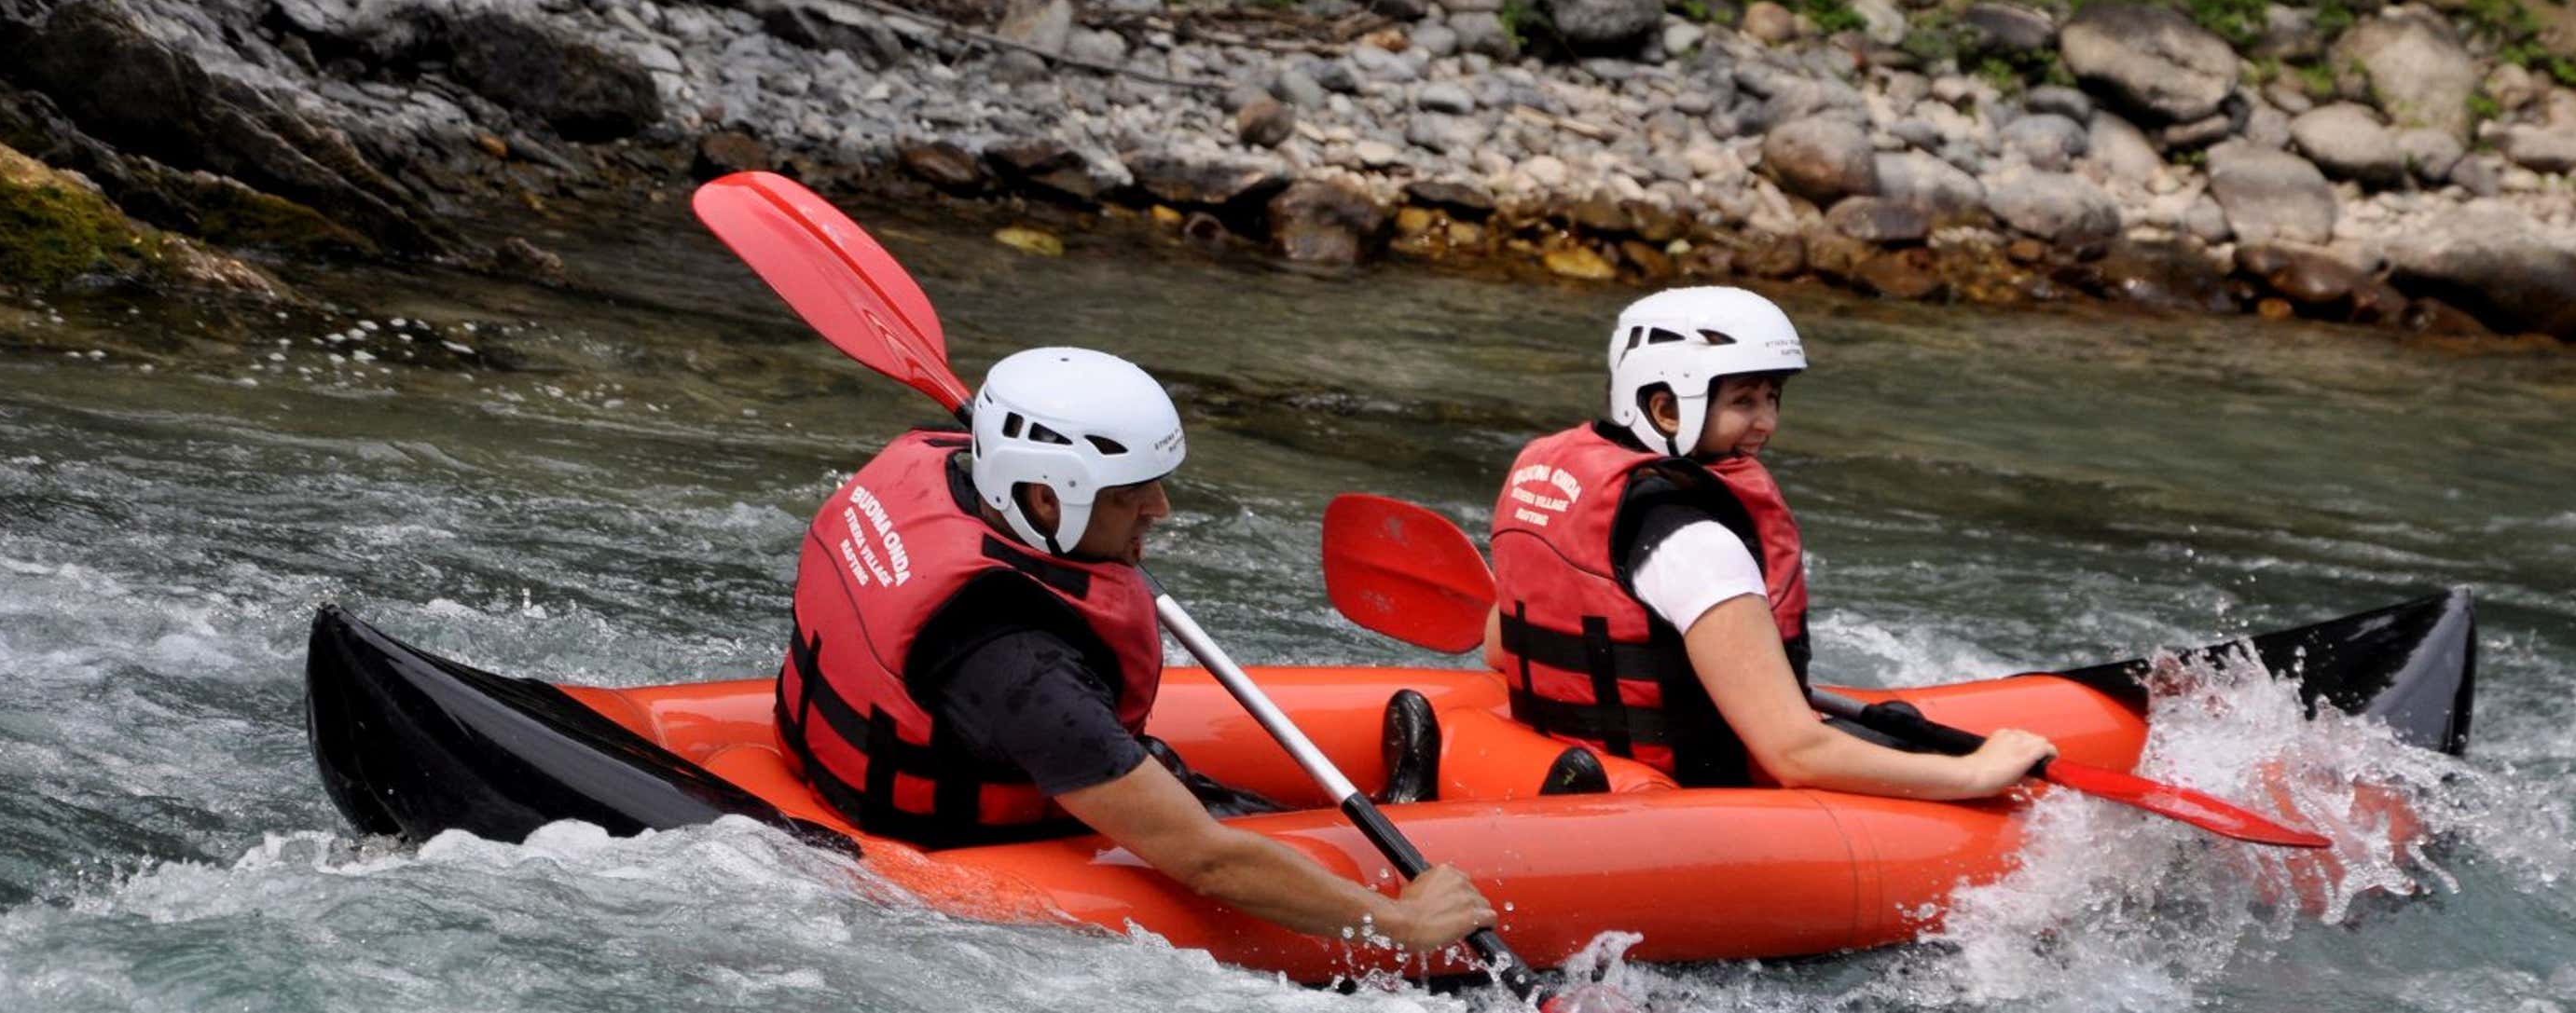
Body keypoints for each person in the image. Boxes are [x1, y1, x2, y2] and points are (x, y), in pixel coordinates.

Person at [778, 347, 1493, 951]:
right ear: (1047, 499)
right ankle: (1401, 829)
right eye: (1131, 493)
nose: (1160, 507)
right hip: (960, 857)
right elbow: (1207, 860)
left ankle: (1397, 807)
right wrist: (1402, 922)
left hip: (898, 765)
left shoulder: (950, 474)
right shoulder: (1019, 665)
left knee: (1181, 774)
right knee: (1204, 816)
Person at [1483, 287, 2055, 798]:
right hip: (1693, 799)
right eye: (1744, 401)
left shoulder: (1558, 484)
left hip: (1572, 757)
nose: (1767, 423)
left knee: (1891, 720)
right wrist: (1977, 773)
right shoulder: (1698, 543)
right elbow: (1795, 754)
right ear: (1665, 406)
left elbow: (1498, 651)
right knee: (1903, 732)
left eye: (1772, 397)